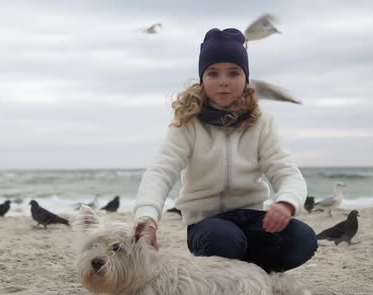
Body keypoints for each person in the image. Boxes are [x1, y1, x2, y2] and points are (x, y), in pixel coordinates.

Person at [133, 28, 317, 273]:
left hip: (252, 217)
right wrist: (147, 218)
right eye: (213, 73)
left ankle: (252, 272)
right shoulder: (188, 123)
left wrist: (286, 203)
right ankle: (236, 270)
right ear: (202, 78)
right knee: (225, 239)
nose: (223, 81)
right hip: (206, 224)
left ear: (246, 78)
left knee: (302, 238)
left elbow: (286, 171)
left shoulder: (261, 122)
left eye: (233, 72)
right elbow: (161, 171)